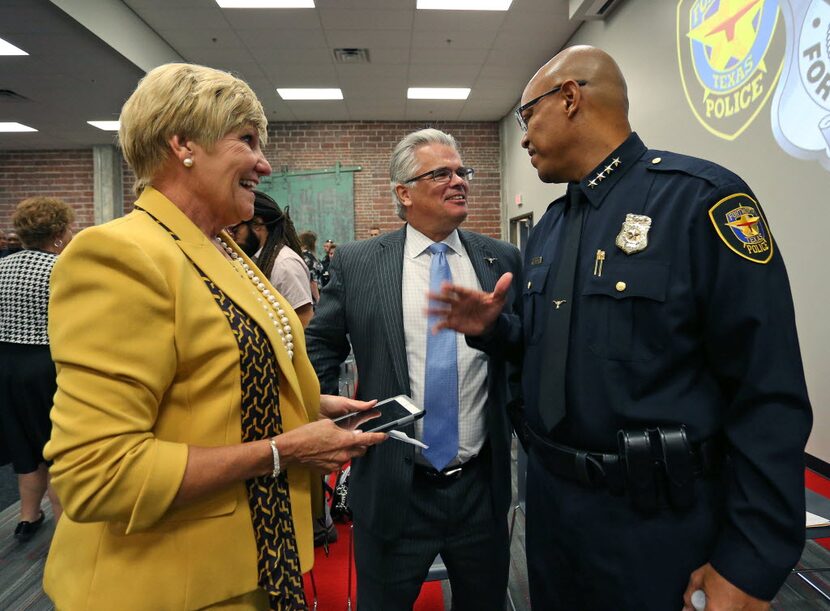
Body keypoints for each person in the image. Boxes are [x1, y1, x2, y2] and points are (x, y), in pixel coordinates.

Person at [431, 46, 812, 611]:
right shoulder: (553, 226)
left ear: (570, 98)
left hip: (657, 523)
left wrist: (750, 562)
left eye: (526, 116)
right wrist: (496, 331)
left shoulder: (700, 203)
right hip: (556, 518)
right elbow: (555, 355)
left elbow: (768, 394)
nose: (525, 137)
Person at [42, 62, 385, 611]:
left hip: (249, 564)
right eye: (246, 140)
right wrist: (282, 449)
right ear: (183, 144)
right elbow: (97, 473)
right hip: (168, 583)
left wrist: (308, 405)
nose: (264, 163)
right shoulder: (120, 254)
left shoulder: (220, 249)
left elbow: (213, 375)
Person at [306, 128, 522, 610]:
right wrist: (323, 413)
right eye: (440, 173)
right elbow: (320, 342)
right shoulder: (361, 262)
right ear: (403, 193)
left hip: (479, 487)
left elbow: (523, 350)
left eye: (462, 171)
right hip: (394, 485)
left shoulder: (500, 260)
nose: (458, 181)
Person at [0, 196, 73, 542]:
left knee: (23, 443)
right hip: (46, 366)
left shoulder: (2, 267)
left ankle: (27, 517)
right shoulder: (62, 269)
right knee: (56, 444)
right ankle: (65, 525)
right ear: (58, 233)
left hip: (5, 365)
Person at [239, 191, 314, 328]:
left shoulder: (284, 264)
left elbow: (304, 320)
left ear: (257, 223)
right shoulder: (256, 259)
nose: (231, 237)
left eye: (236, 230)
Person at [299, 230, 323, 305]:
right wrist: (318, 298)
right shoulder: (309, 258)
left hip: (303, 294)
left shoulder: (299, 255)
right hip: (312, 297)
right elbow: (312, 281)